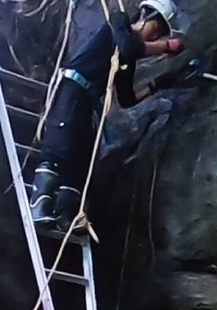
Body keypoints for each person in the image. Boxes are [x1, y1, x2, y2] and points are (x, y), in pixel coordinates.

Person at [29, 0, 187, 232]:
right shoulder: (118, 21)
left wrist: (157, 85)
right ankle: (39, 205)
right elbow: (129, 47)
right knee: (60, 146)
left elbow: (126, 98)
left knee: (80, 159)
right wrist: (166, 47)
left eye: (161, 34)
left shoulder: (128, 55)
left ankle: (66, 214)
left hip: (89, 100)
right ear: (145, 15)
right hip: (72, 90)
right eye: (157, 30)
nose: (155, 38)